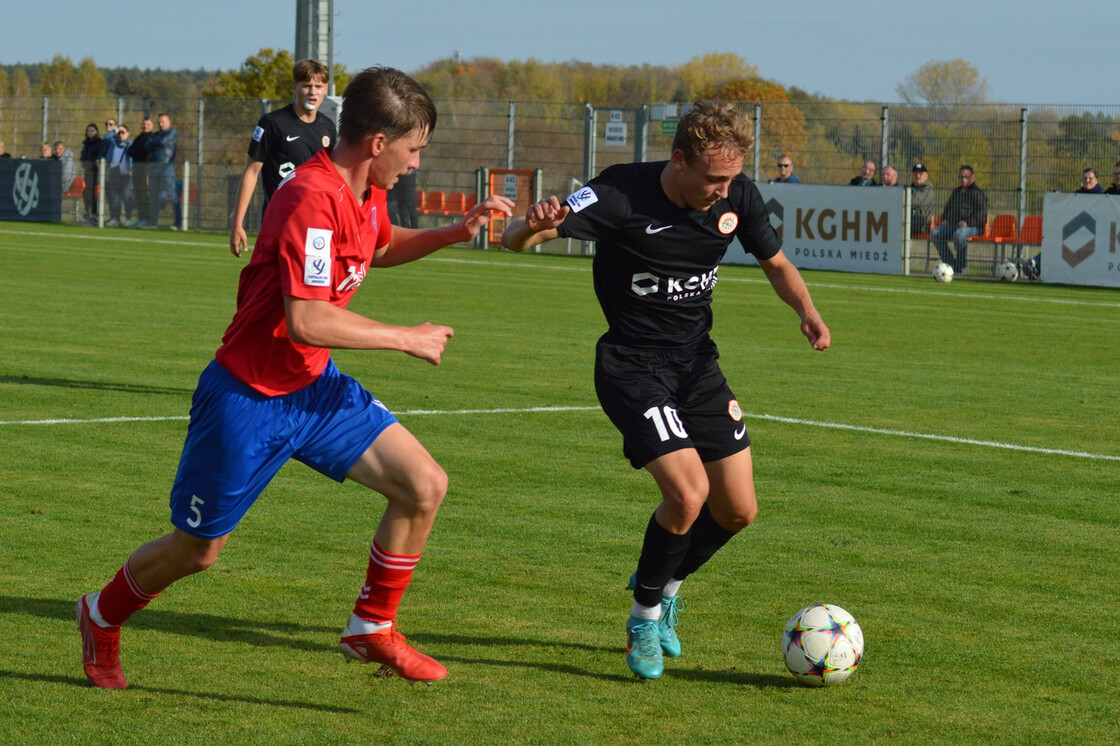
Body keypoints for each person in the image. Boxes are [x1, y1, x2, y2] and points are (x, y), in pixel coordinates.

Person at [75, 65, 515, 691]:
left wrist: (453, 230)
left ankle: (371, 627)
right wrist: (403, 336)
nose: (417, 164)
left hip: (315, 391)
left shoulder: (368, 190)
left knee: (423, 485)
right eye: (415, 151)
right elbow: (306, 319)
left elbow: (380, 247)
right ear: (379, 144)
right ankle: (100, 614)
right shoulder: (310, 198)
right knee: (196, 552)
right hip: (248, 399)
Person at [501, 99, 830, 681]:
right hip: (631, 367)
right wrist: (531, 223)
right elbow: (513, 241)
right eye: (712, 180)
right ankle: (643, 617)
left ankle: (666, 585)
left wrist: (807, 311)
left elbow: (776, 263)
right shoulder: (617, 194)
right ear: (678, 161)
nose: (723, 191)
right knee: (687, 493)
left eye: (730, 179)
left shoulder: (738, 195)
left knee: (738, 511)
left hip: (697, 367)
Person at [230, 59, 337, 256]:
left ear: (326, 89)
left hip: (317, 226)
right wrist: (237, 223)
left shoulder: (328, 128)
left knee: (311, 286)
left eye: (318, 86)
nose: (313, 92)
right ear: (294, 87)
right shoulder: (272, 123)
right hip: (279, 224)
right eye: (307, 86)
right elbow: (252, 172)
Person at [931, 165, 987, 274]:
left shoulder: (978, 193)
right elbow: (948, 207)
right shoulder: (956, 192)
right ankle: (951, 265)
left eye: (966, 177)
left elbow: (982, 214)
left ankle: (961, 267)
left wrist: (968, 223)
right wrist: (946, 219)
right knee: (935, 233)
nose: (963, 179)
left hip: (974, 227)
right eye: (961, 177)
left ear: (972, 177)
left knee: (959, 235)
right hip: (954, 225)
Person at [144, 113, 180, 229]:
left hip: (167, 167)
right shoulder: (156, 134)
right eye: (159, 122)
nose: (161, 124)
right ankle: (152, 222)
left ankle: (178, 223)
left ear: (169, 122)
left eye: (163, 121)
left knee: (171, 194)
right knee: (153, 195)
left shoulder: (172, 133)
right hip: (154, 167)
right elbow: (147, 146)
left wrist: (158, 144)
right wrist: (158, 145)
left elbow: (161, 141)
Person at [103, 124, 132, 226]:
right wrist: (115, 130)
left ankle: (128, 218)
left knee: (126, 196)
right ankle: (115, 218)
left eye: (123, 132)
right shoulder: (113, 143)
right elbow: (106, 137)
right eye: (119, 133)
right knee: (114, 196)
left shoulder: (130, 145)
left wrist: (131, 169)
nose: (121, 135)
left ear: (128, 134)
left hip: (125, 173)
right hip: (114, 173)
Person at [128, 117, 155, 227]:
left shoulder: (152, 138)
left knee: (145, 195)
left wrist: (139, 151)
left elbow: (145, 151)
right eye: (144, 124)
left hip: (146, 171)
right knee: (138, 194)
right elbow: (131, 151)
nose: (145, 126)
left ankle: (147, 219)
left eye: (148, 124)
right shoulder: (138, 138)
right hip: (136, 170)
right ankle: (141, 217)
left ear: (152, 126)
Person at [79, 123, 103, 224]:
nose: (90, 132)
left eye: (92, 130)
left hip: (96, 172)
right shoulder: (86, 144)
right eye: (88, 131)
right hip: (87, 171)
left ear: (96, 131)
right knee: (87, 193)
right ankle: (86, 213)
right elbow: (83, 156)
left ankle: (95, 215)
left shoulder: (99, 143)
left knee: (93, 193)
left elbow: (100, 155)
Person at [908, 163, 936, 236]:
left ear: (926, 175)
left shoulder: (928, 189)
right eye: (915, 173)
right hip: (908, 220)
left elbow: (914, 202)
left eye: (921, 173)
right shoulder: (908, 187)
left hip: (922, 224)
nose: (918, 176)